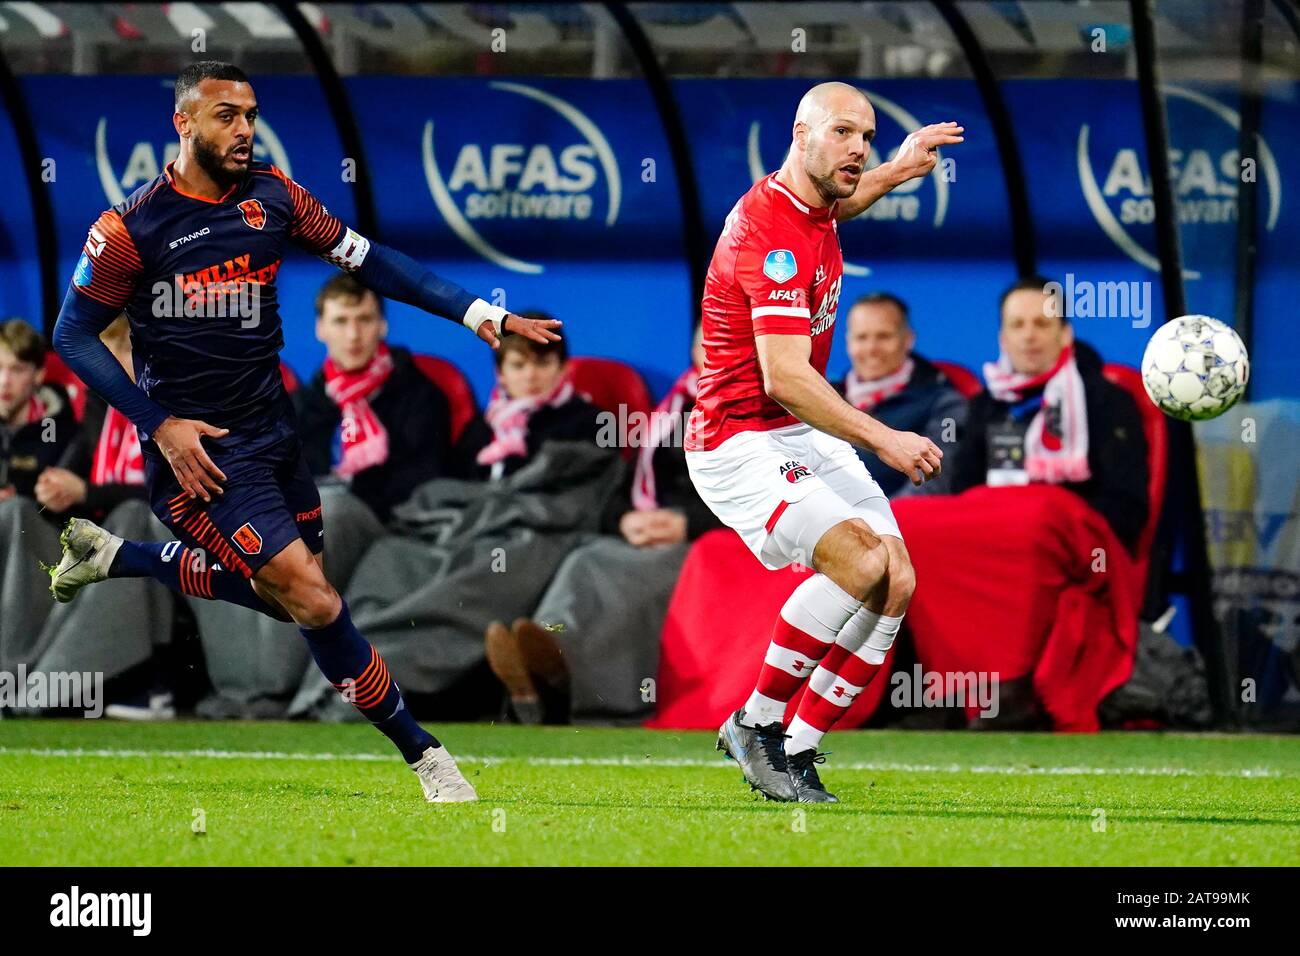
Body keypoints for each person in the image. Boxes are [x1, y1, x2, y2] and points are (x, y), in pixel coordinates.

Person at [47, 61, 560, 804]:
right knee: (315, 602)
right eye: (226, 115)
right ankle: (426, 757)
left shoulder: (274, 197)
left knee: (299, 594)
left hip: (276, 437)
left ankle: (122, 556)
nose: (245, 129)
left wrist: (479, 312)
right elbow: (74, 336)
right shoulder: (130, 229)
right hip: (202, 460)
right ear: (183, 123)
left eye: (250, 114)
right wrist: (158, 426)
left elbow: (372, 261)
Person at [685, 82, 962, 802]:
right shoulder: (769, 233)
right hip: (735, 439)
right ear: (800, 132)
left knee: (897, 576)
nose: (858, 148)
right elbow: (784, 377)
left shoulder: (813, 201)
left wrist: (899, 170)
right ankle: (757, 724)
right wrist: (886, 440)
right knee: (863, 561)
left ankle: (800, 748)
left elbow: (848, 197)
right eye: (843, 133)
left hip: (791, 431)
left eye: (866, 136)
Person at [486, 325, 722, 725]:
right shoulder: (678, 403)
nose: (712, 349)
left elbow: (767, 494)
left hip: (702, 540)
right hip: (646, 529)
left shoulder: (758, 410)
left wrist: (686, 523)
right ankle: (541, 660)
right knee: (586, 558)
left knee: (619, 571)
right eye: (706, 340)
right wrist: (624, 518)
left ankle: (567, 687)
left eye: (726, 339)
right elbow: (626, 482)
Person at [949, 276, 1149, 551]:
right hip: (994, 544)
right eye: (1017, 325)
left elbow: (1125, 507)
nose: (1029, 335)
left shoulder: (1108, 400)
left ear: (1065, 334)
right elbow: (962, 492)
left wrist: (1046, 522)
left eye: (1041, 323)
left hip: (1074, 549)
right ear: (1003, 339)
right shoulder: (986, 403)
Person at [295, 273, 454, 522]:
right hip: (312, 525)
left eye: (364, 319)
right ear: (320, 329)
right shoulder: (301, 404)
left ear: (383, 325)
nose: (353, 335)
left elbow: (424, 483)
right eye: (340, 321)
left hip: (392, 527)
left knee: (330, 509)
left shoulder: (420, 396)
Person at [832, 292, 967, 497]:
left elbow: (938, 476)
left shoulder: (946, 405)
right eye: (861, 337)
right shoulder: (825, 398)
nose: (871, 348)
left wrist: (879, 523)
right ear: (848, 342)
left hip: (897, 524)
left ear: (908, 339)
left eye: (883, 336)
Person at [459, 318, 604, 481]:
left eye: (542, 363)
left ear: (564, 369)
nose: (530, 376)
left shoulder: (592, 422)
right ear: (500, 374)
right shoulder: (482, 426)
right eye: (518, 365)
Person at [0, 319, 77, 506]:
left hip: (36, 525)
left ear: (38, 376)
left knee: (16, 508)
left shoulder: (58, 429)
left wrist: (17, 496)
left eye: (17, 370)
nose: (4, 381)